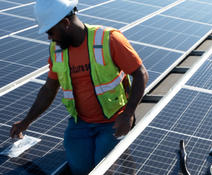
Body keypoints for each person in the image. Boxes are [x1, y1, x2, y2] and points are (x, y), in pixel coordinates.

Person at [9, 0, 148, 174]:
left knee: (102, 168)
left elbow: (140, 73)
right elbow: (49, 89)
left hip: (112, 122)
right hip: (80, 124)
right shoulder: (57, 50)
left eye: (51, 32)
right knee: (80, 170)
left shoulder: (108, 39)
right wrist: (26, 122)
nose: (49, 38)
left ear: (66, 23)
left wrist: (128, 114)